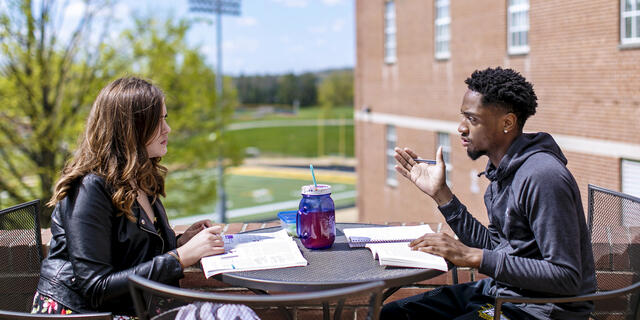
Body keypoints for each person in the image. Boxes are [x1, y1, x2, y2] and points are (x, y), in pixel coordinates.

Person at [382, 67, 596, 320]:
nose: (461, 128)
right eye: (463, 117)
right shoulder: (500, 174)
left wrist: (471, 256)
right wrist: (441, 194)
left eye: (472, 119)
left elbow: (567, 277)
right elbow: (496, 247)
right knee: (395, 314)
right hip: (504, 293)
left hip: (544, 307)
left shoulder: (543, 177)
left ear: (507, 122)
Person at [32, 77, 226, 318]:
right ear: (130, 128)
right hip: (82, 313)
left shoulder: (141, 178)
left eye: (165, 119)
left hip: (133, 310)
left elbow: (130, 251)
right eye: (158, 121)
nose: (168, 129)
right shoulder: (89, 188)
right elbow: (96, 288)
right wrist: (180, 258)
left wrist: (181, 242)